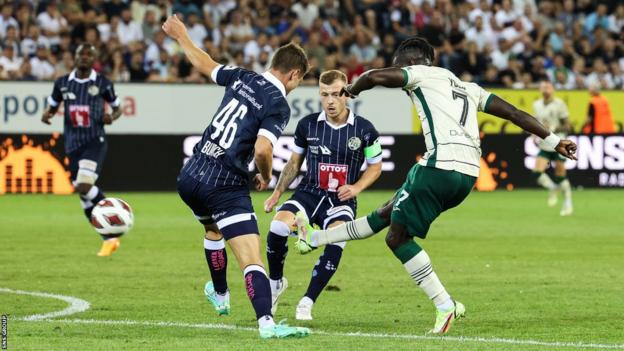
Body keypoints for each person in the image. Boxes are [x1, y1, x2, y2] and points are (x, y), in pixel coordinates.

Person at [295, 37, 577, 335]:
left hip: (439, 166)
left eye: (400, 66)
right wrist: (555, 141)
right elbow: (516, 115)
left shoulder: (420, 74)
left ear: (410, 62)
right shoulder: (469, 88)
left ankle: (444, 305)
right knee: (387, 213)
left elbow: (375, 76)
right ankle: (316, 238)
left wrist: (352, 89)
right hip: (467, 176)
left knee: (396, 238)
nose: (400, 71)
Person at [161, 15, 310, 339]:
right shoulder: (278, 104)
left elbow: (205, 63)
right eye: (299, 82)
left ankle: (220, 293)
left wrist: (182, 36)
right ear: (294, 74)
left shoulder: (242, 76)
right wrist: (265, 176)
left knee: (212, 228)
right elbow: (262, 151)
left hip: (191, 174)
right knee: (250, 259)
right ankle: (267, 324)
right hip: (224, 183)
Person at [263, 69, 382, 320]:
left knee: (338, 238)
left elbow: (376, 166)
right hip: (309, 192)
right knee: (277, 228)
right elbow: (294, 164)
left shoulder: (365, 130)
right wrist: (276, 194)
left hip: (340, 199)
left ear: (347, 94)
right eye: (324, 94)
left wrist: (357, 187)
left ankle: (307, 301)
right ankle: (275, 284)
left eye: (336, 94)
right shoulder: (307, 125)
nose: (330, 100)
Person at [41, 44, 123, 257]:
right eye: (81, 54)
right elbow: (52, 104)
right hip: (72, 144)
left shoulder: (103, 83)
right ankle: (109, 239)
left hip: (94, 141)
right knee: (84, 195)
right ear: (75, 58)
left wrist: (111, 117)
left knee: (84, 186)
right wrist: (47, 114)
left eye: (89, 55)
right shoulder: (62, 83)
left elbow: (118, 108)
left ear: (94, 58)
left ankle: (117, 214)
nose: (84, 58)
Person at [531, 81, 573, 216]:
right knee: (537, 173)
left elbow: (568, 126)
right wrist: (533, 134)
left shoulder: (560, 104)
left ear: (553, 89)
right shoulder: (537, 105)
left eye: (548, 87)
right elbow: (536, 123)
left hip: (558, 144)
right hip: (544, 144)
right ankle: (553, 188)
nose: (545, 90)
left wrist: (554, 128)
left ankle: (568, 204)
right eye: (543, 87)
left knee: (560, 176)